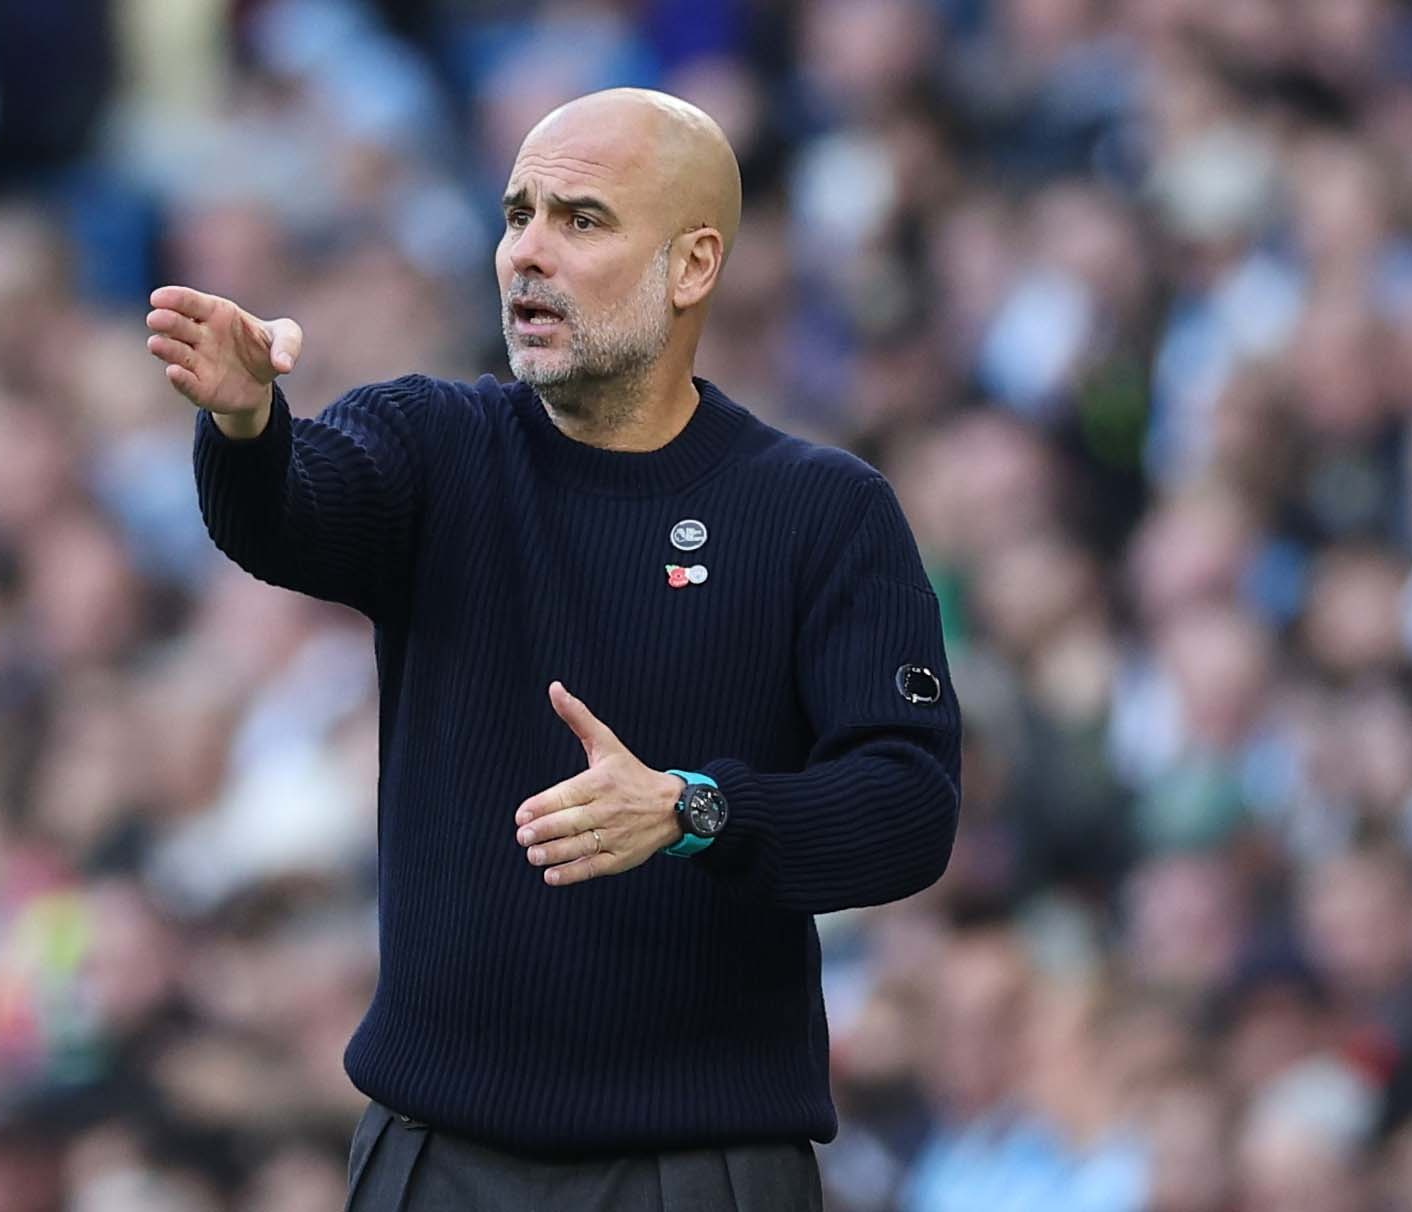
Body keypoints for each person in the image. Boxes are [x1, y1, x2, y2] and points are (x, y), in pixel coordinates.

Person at [146, 88, 961, 1212]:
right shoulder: (437, 443)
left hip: (699, 1165)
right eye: (515, 212)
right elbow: (289, 512)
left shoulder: (819, 511)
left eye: (579, 220)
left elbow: (907, 807)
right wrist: (245, 425)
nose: (526, 253)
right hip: (438, 1158)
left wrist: (690, 811)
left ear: (692, 267)